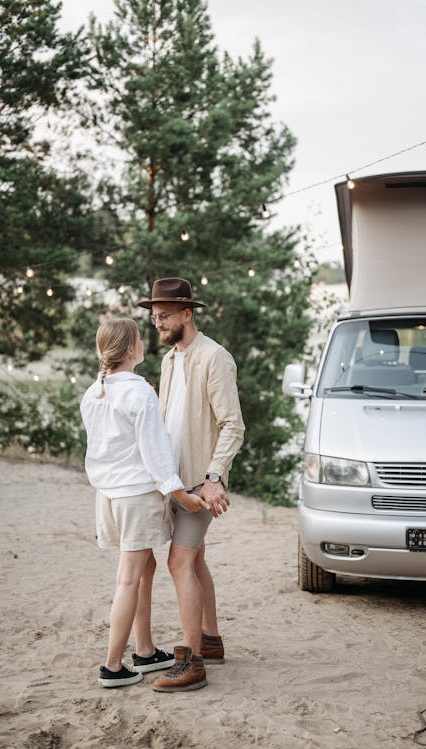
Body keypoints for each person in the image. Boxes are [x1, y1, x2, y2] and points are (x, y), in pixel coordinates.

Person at [80, 317, 209, 688]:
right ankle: (112, 667)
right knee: (128, 579)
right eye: (139, 338)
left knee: (144, 568)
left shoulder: (94, 392)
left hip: (107, 497)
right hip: (136, 496)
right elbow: (156, 454)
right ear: (131, 349)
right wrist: (182, 494)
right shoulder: (139, 393)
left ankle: (146, 650)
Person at [138, 278, 245, 692]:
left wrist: (214, 478)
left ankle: (191, 660)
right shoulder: (168, 362)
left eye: (163, 317)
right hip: (174, 480)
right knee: (195, 561)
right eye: (153, 318)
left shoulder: (215, 357)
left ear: (187, 313)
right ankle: (211, 640)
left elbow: (233, 424)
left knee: (179, 563)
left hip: (201, 482)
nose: (157, 324)